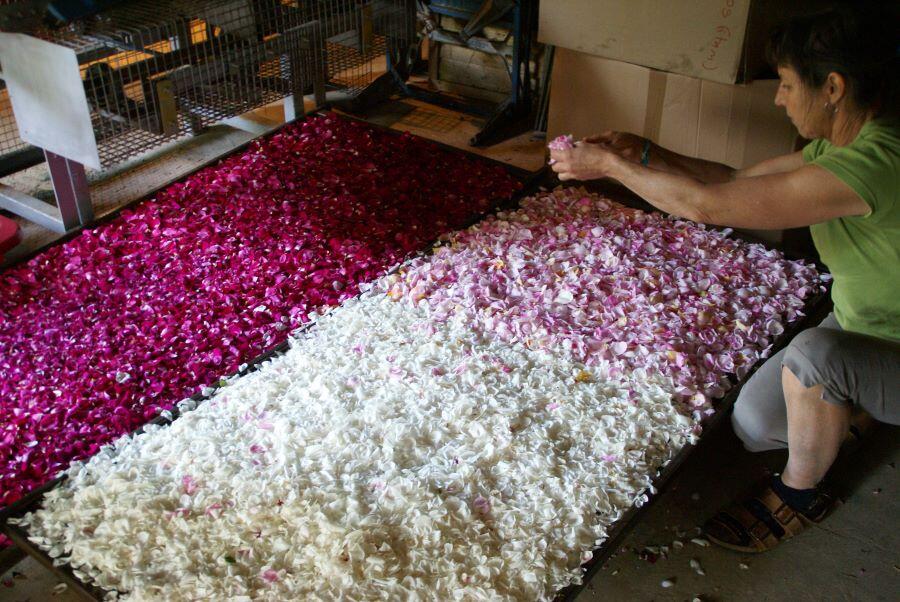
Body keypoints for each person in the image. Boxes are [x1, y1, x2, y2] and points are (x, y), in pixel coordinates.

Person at [549, 5, 899, 553]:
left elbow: (711, 208)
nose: (780, 99)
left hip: (891, 342)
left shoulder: (876, 163)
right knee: (756, 425)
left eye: (785, 85)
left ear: (832, 86)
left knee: (814, 356)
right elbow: (733, 179)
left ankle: (800, 495)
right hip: (866, 322)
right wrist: (643, 151)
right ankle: (855, 409)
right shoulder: (842, 144)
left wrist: (612, 169)